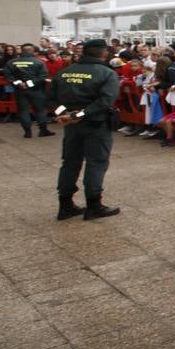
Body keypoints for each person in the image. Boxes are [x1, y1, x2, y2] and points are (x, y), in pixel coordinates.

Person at [50, 39, 121, 220]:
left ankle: (65, 205)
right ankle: (94, 205)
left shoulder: (64, 72)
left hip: (71, 126)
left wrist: (65, 114)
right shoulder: (106, 73)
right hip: (95, 125)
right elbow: (105, 102)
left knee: (70, 163)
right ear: (104, 53)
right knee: (96, 163)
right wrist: (77, 115)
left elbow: (51, 99)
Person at [5, 43, 53, 138]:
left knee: (23, 110)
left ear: (21, 51)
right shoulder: (39, 62)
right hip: (36, 90)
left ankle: (27, 132)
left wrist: (19, 83)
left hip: (20, 90)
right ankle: (43, 130)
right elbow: (43, 76)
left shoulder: (11, 62)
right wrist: (29, 83)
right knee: (40, 110)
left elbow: (8, 76)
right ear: (32, 51)